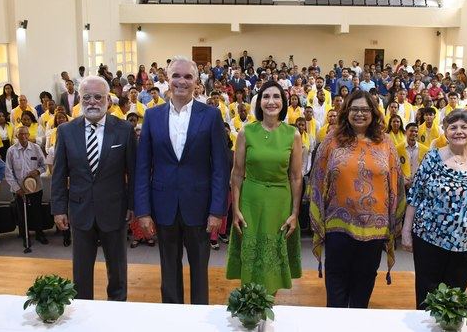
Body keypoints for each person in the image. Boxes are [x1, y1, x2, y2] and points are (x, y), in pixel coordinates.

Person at [134, 57, 229, 305]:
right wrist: (143, 211)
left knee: (200, 271)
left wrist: (217, 210)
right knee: (169, 270)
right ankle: (172, 320)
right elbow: (143, 167)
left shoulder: (210, 116)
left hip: (199, 207)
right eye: (176, 75)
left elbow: (220, 167)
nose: (181, 81)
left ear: (197, 81)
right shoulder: (152, 116)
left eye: (188, 77)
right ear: (167, 79)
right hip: (163, 206)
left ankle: (199, 320)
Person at [310, 90, 400, 308]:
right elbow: (317, 179)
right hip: (337, 228)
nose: (359, 114)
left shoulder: (386, 143)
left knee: (363, 287)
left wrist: (393, 225)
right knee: (336, 288)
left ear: (373, 113)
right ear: (346, 112)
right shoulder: (331, 141)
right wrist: (318, 218)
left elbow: (395, 185)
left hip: (374, 231)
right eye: (354, 109)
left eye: (365, 109)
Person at [51, 75, 137, 301]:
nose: (92, 102)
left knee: (117, 271)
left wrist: (133, 204)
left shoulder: (124, 130)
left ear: (108, 100)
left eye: (98, 97)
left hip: (115, 210)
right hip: (80, 212)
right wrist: (59, 209)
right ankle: (83, 314)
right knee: (81, 272)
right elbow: (59, 174)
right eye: (86, 97)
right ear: (80, 99)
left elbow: (134, 173)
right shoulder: (66, 131)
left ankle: (117, 309)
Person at [402, 109, 467, 309]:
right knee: (427, 295)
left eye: (464, 127)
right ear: (445, 131)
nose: (458, 131)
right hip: (429, 239)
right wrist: (405, 231)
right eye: (453, 127)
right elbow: (415, 195)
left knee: (455, 297)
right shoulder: (432, 158)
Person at [226, 80, 302, 294]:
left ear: (283, 102)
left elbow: (296, 177)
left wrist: (295, 212)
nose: (271, 101)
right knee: (251, 258)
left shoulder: (292, 134)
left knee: (272, 262)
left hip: (280, 201)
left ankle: (267, 309)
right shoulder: (246, 132)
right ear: (259, 103)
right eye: (266, 97)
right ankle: (251, 308)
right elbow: (237, 173)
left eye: (276, 97)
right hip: (251, 199)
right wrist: (236, 209)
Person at [5, 126, 48, 247]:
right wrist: (17, 188)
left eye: (25, 134)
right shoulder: (11, 151)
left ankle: (39, 233)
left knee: (37, 211)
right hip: (19, 189)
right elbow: (8, 172)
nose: (23, 136)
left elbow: (44, 165)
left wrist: (38, 171)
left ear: (29, 135)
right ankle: (25, 236)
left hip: (35, 187)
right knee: (22, 213)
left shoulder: (36, 148)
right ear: (16, 136)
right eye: (20, 134)